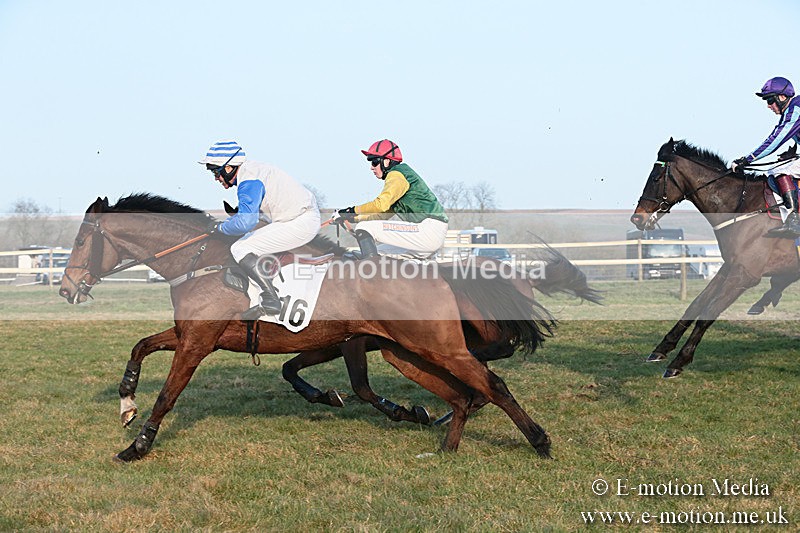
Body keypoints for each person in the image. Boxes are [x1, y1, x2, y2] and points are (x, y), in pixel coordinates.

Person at [200, 140, 321, 319]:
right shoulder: (252, 171)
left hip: (299, 222)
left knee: (240, 248)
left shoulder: (248, 180)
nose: (216, 178)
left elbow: (245, 223)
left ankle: (271, 300)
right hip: (294, 218)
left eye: (216, 172)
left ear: (228, 168)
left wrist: (219, 227)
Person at [332, 139, 448, 259]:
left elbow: (380, 204)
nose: (372, 168)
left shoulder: (397, 175)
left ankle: (370, 271)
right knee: (375, 251)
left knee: (364, 228)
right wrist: (352, 218)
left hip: (428, 231)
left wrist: (350, 210)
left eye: (374, 162)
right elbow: (381, 215)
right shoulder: (398, 184)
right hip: (423, 238)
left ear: (387, 161)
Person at [731, 76, 800, 238]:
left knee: (778, 171)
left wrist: (747, 159)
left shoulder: (794, 111)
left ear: (782, 97)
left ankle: (794, 220)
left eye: (770, 100)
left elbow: (774, 140)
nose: (769, 106)